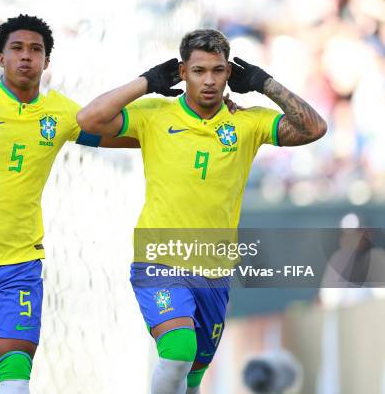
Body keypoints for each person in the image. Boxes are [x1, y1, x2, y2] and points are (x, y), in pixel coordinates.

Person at [76, 29, 327, 394]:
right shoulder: (155, 116)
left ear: (230, 74)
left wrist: (263, 82)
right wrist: (147, 82)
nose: (209, 80)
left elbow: (314, 128)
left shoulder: (249, 122)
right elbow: (88, 120)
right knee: (178, 351)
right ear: (182, 72)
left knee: (193, 377)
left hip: (214, 267)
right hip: (159, 258)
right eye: (198, 71)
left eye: (218, 70)